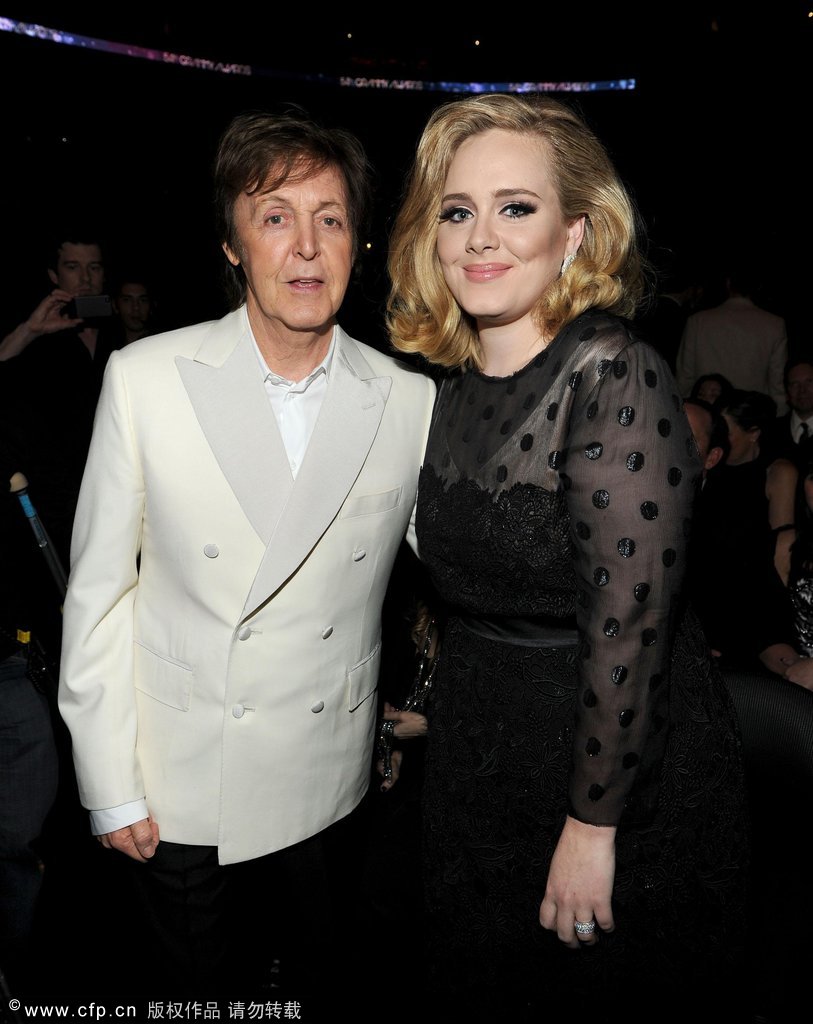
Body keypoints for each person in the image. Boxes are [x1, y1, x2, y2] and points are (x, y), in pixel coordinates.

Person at [57, 109, 435, 1003]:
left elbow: (468, 576)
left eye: (330, 218)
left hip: (326, 779)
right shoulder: (146, 378)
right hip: (182, 780)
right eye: (275, 217)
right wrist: (109, 783)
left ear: (358, 242)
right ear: (232, 244)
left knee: (316, 990)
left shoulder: (407, 400)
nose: (306, 247)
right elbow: (100, 594)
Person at [386, 93, 750, 1022]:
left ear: (576, 234)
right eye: (456, 210)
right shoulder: (452, 388)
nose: (479, 237)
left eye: (516, 208)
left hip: (607, 772)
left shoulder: (611, 371)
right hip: (477, 757)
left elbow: (628, 624)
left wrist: (592, 827)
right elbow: (463, 588)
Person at [687, 389, 798, 677]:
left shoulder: (775, 472)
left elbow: (773, 556)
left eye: (727, 429)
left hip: (753, 600)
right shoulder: (710, 482)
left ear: (753, 433)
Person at [675, 261, 788, 413]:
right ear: (757, 287)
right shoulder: (774, 324)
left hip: (707, 411)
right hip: (749, 413)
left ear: (728, 284)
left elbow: (684, 378)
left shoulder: (698, 321)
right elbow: (777, 383)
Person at [763, 357, 813, 468]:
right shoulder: (769, 432)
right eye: (795, 384)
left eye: (809, 382)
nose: (802, 390)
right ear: (786, 392)